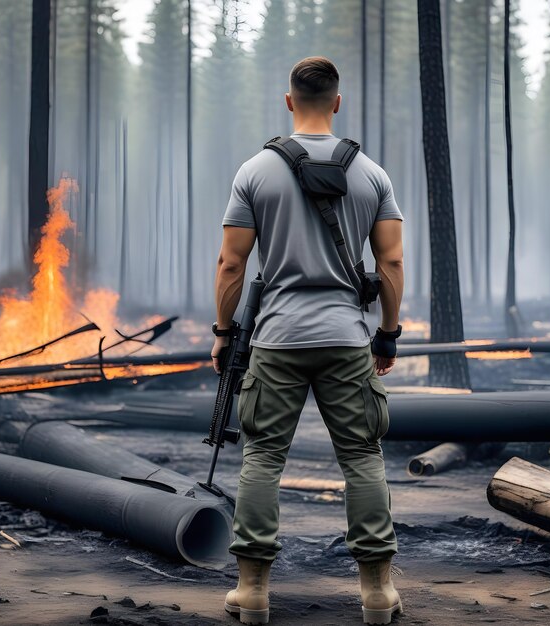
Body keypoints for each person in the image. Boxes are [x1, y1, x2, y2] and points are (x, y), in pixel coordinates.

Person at [211, 56, 405, 626]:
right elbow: (390, 260)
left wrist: (225, 334)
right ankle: (376, 594)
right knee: (362, 457)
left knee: (263, 458)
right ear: (337, 103)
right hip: (346, 337)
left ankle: (252, 593)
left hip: (276, 339)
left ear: (290, 101)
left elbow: (231, 265)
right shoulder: (372, 174)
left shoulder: (255, 171)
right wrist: (387, 335)